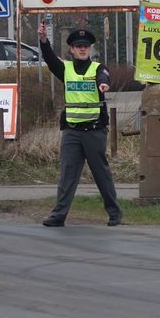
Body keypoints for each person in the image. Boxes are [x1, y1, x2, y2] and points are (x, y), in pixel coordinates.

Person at [38, 23, 122, 227]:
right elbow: (49, 59)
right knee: (67, 175)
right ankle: (58, 216)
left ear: (90, 49)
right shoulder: (65, 68)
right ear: (71, 49)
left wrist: (103, 84)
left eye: (86, 46)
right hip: (72, 132)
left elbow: (104, 76)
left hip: (94, 130)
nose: (83, 49)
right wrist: (43, 41)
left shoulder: (98, 68)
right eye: (78, 46)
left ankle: (114, 213)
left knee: (101, 173)